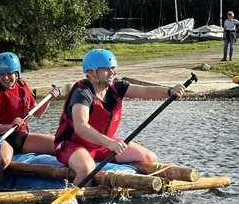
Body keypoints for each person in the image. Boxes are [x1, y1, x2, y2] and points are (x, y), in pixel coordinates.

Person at [54, 48, 186, 183]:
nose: (112, 72)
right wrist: (109, 142)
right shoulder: (82, 93)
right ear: (92, 72)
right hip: (72, 145)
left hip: (102, 145)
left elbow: (145, 91)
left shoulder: (118, 88)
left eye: (113, 68)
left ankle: (129, 183)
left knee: (149, 157)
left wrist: (169, 91)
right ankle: (79, 196)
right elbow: (80, 127)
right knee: (86, 169)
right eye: (106, 69)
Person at [0, 51, 60, 185]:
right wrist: (11, 125)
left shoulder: (22, 86)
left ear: (16, 73)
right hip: (1, 138)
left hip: (22, 138)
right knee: (2, 160)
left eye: (9, 73)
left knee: (58, 144)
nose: (5, 78)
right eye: (1, 74)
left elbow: (37, 113)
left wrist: (50, 98)